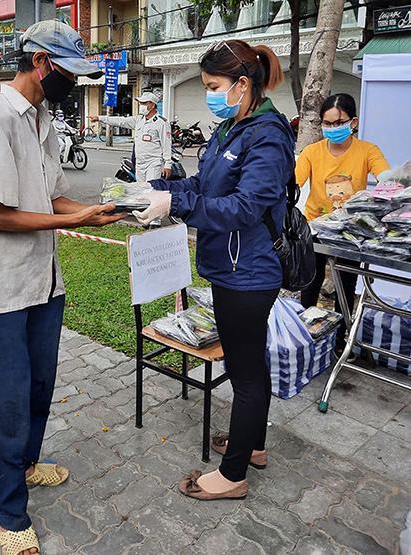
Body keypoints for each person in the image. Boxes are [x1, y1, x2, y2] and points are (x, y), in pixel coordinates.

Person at [0, 20, 122, 555]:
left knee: (37, 390)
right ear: (42, 63)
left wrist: (95, 212)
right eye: (70, 72)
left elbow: (56, 199)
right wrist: (74, 222)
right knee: (3, 404)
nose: (76, 83)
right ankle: (8, 511)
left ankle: (24, 466)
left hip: (42, 286)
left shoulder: (43, 119)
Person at [133, 40, 294, 501]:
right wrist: (155, 189)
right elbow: (203, 185)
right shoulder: (231, 128)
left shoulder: (268, 135)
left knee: (244, 374)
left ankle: (232, 474)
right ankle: (254, 446)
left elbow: (244, 207)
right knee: (252, 365)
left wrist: (177, 203)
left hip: (248, 274)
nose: (209, 94)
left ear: (243, 85)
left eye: (213, 86)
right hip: (228, 266)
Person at [296, 93, 390, 353]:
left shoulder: (367, 150)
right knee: (309, 284)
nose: (332, 129)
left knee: (345, 286)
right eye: (327, 124)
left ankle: (339, 341)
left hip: (350, 230)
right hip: (315, 226)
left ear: (353, 122)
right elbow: (293, 182)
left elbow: (386, 177)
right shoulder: (312, 152)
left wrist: (394, 183)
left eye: (338, 123)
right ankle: (306, 336)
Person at [89, 91, 172, 180]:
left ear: (152, 105)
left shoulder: (161, 123)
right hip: (139, 163)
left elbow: (166, 145)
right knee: (140, 190)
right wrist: (100, 118)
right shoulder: (139, 119)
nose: (141, 105)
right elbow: (121, 121)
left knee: (151, 190)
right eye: (140, 103)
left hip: (153, 164)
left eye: (144, 103)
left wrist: (168, 164)